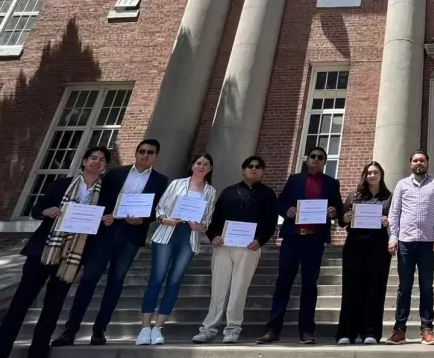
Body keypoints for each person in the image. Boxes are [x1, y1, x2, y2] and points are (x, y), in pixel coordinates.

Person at [0, 146, 109, 358]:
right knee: (20, 303)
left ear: (105, 166)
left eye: (102, 160)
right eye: (93, 158)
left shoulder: (105, 194)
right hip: (44, 250)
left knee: (53, 307)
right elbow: (36, 209)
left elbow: (101, 224)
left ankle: (36, 356)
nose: (97, 162)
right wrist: (46, 211)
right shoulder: (62, 184)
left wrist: (106, 220)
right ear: (84, 161)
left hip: (71, 257)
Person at [53, 139, 169, 347]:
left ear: (156, 156)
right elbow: (100, 199)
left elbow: (158, 209)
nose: (145, 155)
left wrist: (144, 219)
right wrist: (103, 215)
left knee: (116, 282)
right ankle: (70, 330)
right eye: (141, 151)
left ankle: (99, 330)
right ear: (135, 152)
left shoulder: (161, 181)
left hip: (131, 236)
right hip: (105, 232)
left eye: (150, 152)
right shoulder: (115, 174)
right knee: (88, 280)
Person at [256, 146, 343, 344]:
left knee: (309, 286)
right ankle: (273, 329)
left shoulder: (331, 183)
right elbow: (280, 203)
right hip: (293, 238)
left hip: (315, 240)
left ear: (324, 162)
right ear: (307, 160)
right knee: (283, 284)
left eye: (321, 158)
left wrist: (334, 211)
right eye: (313, 156)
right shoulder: (294, 180)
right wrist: (287, 210)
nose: (316, 160)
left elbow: (337, 205)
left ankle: (306, 331)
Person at [193, 155, 278, 344]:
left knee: (239, 288)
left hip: (250, 247)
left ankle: (232, 328)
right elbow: (215, 217)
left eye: (258, 167)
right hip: (224, 244)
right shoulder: (229, 192)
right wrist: (213, 236)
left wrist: (260, 240)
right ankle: (208, 328)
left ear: (262, 171)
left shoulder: (268, 194)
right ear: (243, 170)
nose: (253, 169)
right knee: (218, 287)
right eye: (250, 166)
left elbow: (270, 222)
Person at [136, 153, 217, 345]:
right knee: (157, 278)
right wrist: (166, 219)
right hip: (167, 233)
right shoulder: (177, 184)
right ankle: (145, 327)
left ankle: (158, 327)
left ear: (210, 169)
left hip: (188, 237)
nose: (202, 166)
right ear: (192, 165)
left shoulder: (210, 191)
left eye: (206, 164)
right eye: (198, 163)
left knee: (174, 281)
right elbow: (160, 209)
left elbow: (208, 218)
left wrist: (201, 226)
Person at [386, 150, 434, 346]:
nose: (418, 163)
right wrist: (393, 237)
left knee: (426, 287)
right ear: (410, 164)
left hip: (428, 243)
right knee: (404, 287)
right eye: (415, 160)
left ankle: (427, 328)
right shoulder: (402, 185)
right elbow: (394, 212)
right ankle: (399, 329)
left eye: (422, 160)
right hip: (405, 242)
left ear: (427, 163)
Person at [335, 161, 392, 345]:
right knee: (351, 290)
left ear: (381, 175)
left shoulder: (388, 197)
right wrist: (345, 217)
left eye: (376, 172)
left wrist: (387, 221)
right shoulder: (355, 196)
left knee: (375, 291)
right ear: (364, 175)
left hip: (378, 250)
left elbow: (395, 220)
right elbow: (341, 221)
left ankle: (371, 333)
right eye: (369, 172)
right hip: (355, 248)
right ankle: (347, 332)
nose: (372, 175)